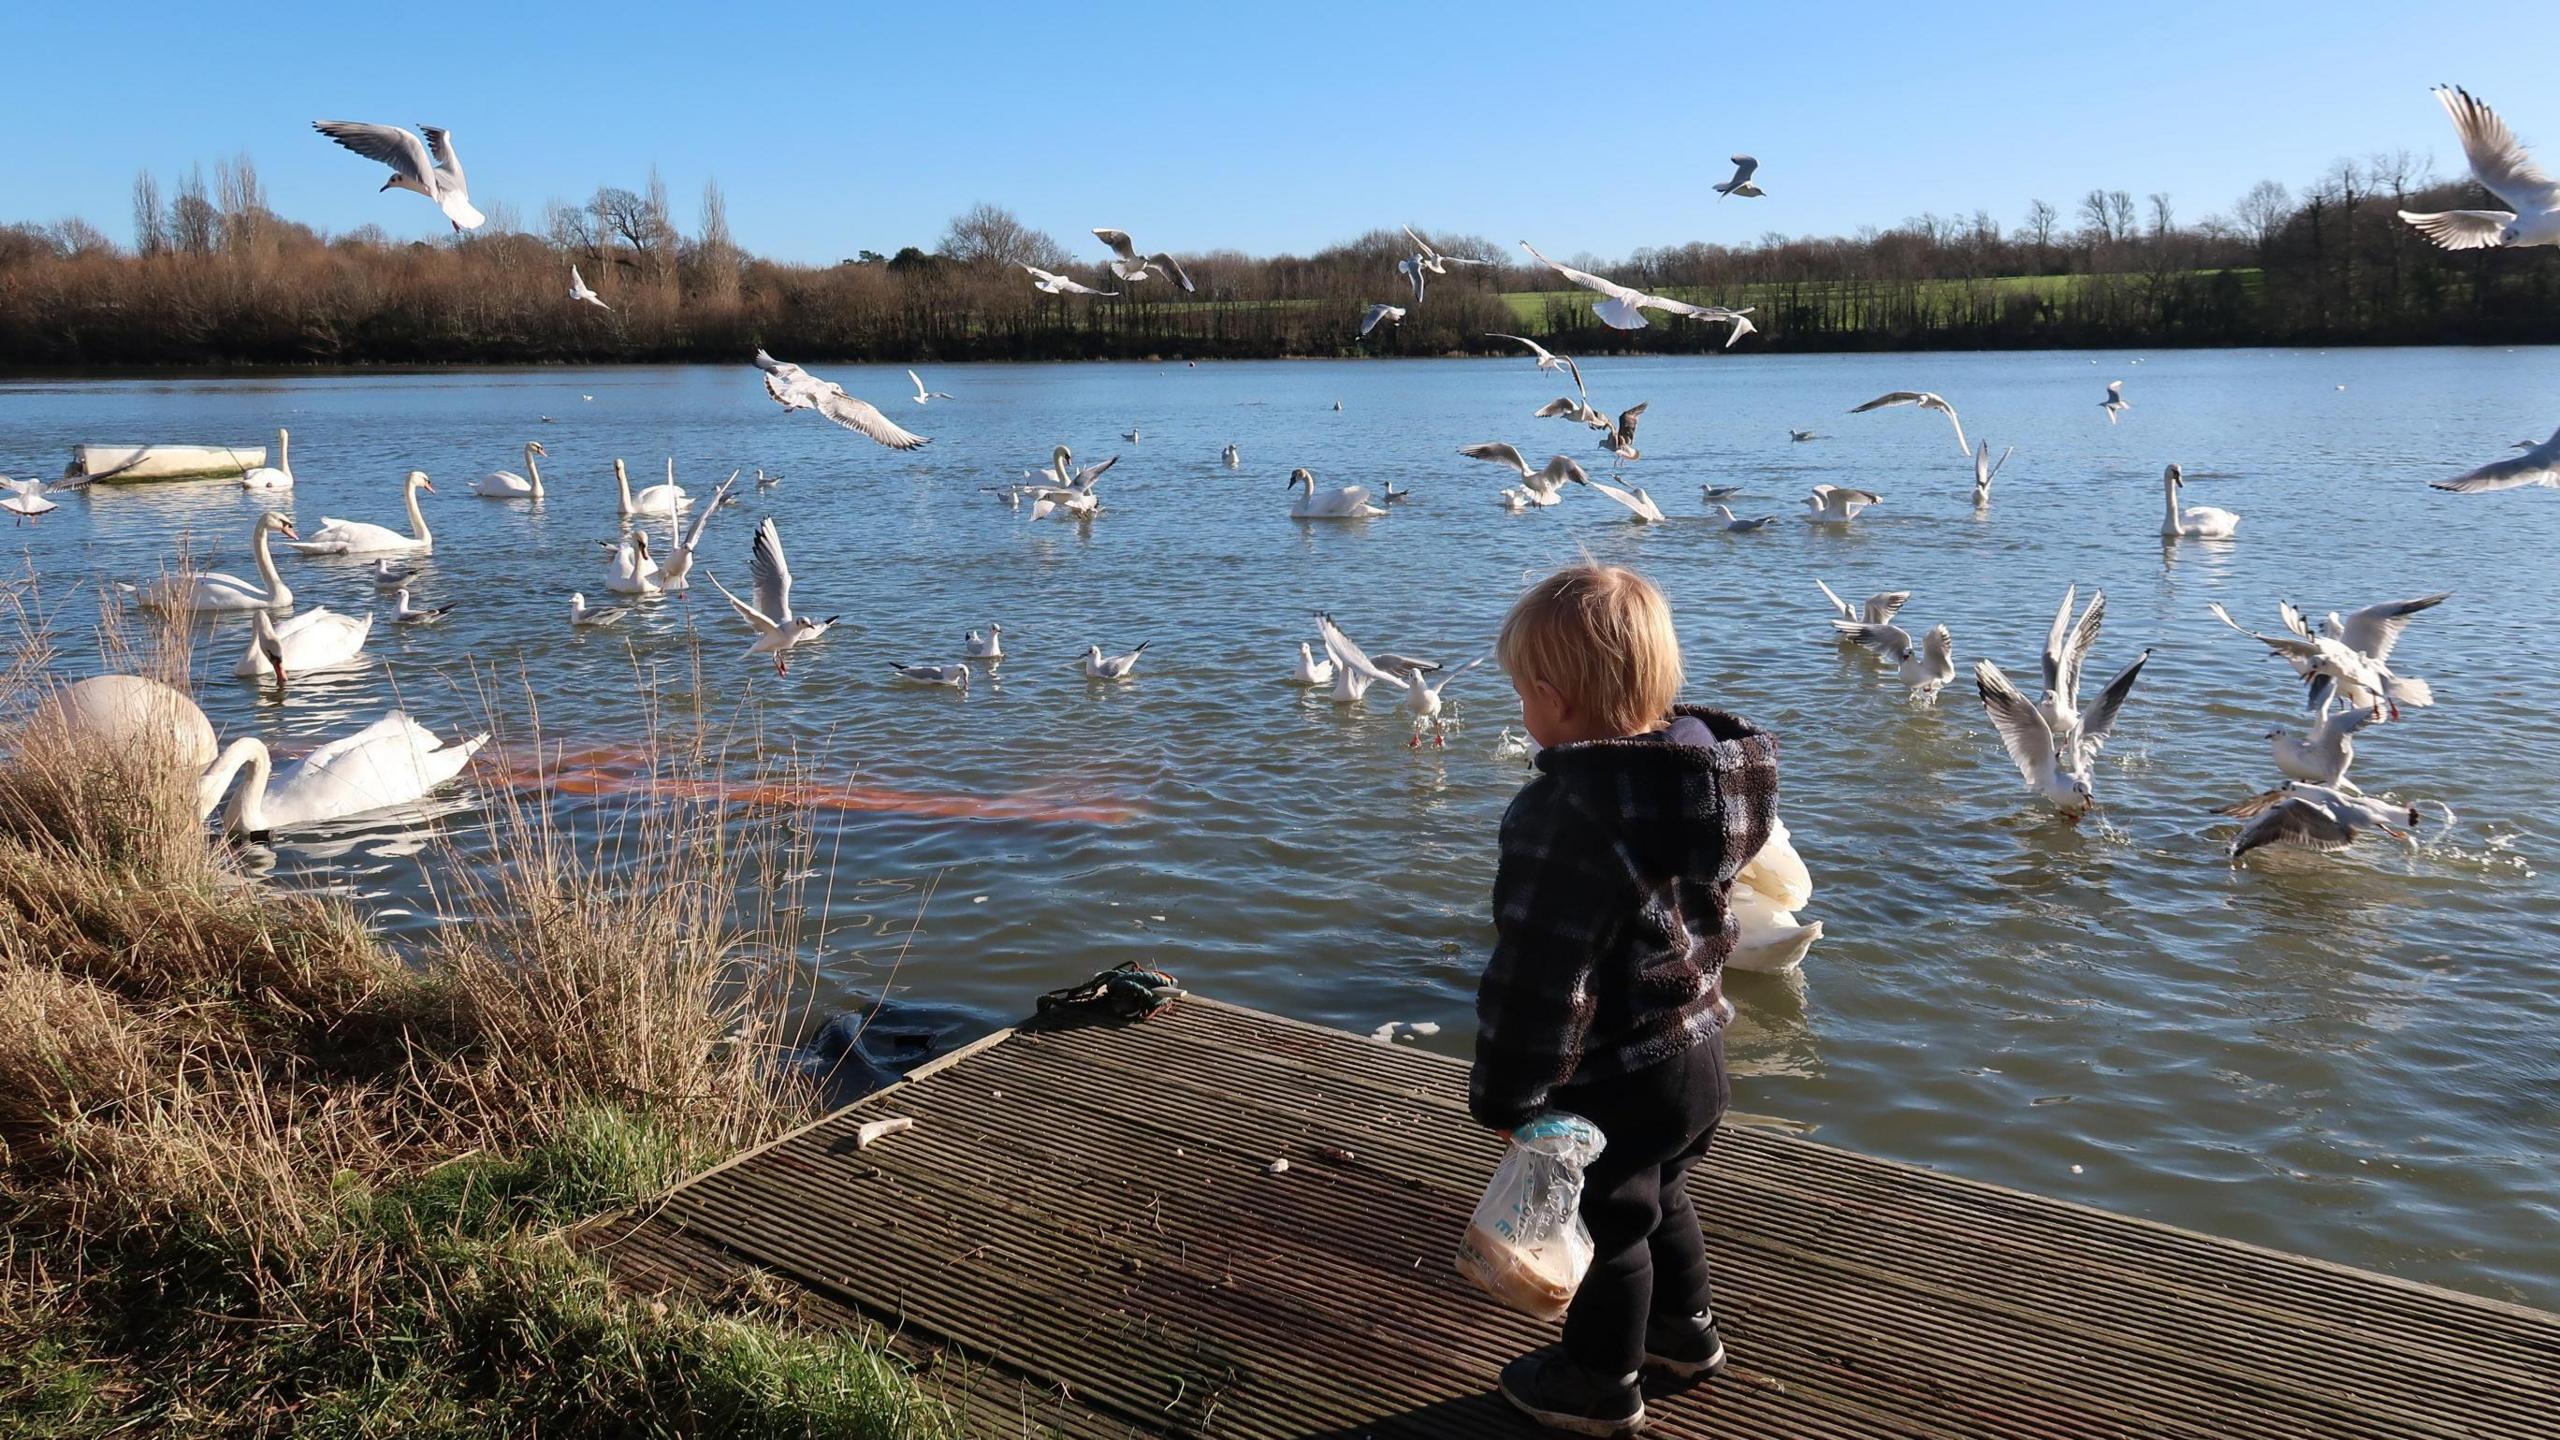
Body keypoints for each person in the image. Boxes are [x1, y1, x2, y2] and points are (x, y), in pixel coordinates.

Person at [1469, 563, 1778, 1437]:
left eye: (1522, 695)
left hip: (1617, 1071)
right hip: (1700, 1048)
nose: (1522, 713)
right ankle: (1686, 1333)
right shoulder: (1703, 784)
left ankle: (1600, 1380)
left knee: (1611, 1227)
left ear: (1552, 698)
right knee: (1661, 1192)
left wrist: (1511, 1097)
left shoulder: (1567, 814)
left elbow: (1542, 975)